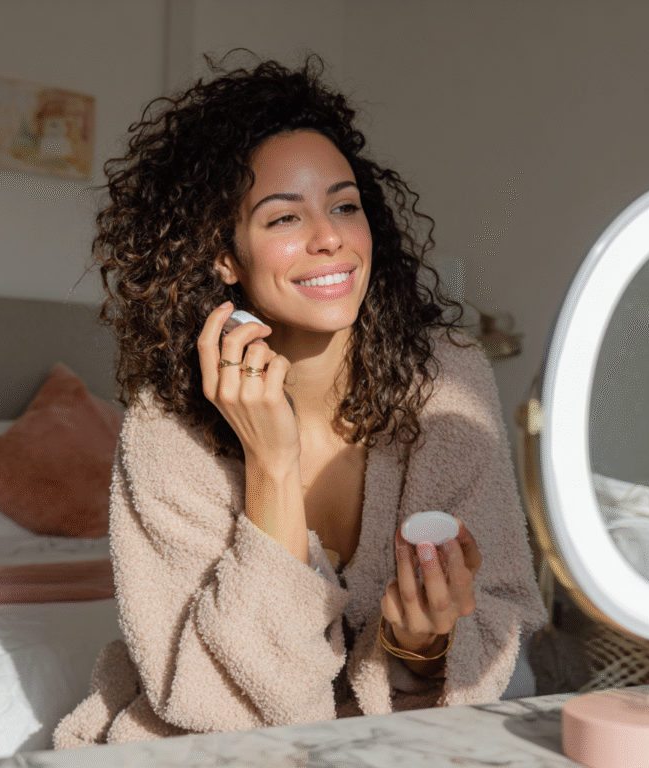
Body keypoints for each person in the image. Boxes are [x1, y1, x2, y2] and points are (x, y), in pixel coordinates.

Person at [53, 52, 547, 747]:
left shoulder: (447, 378)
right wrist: (272, 466)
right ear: (224, 256)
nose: (330, 238)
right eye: (284, 218)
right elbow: (226, 707)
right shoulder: (166, 427)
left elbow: (495, 628)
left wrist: (417, 643)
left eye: (345, 206)